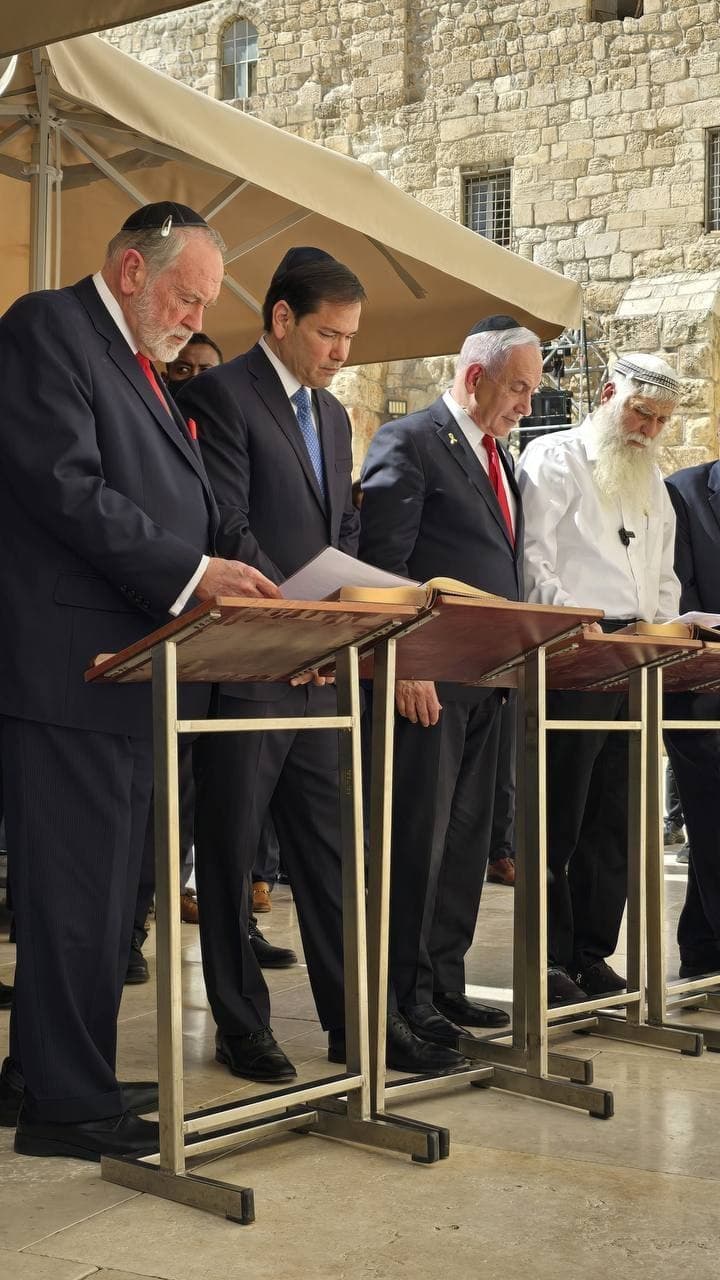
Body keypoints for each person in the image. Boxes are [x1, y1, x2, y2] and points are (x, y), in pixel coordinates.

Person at [0, 201, 280, 1159]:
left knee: (109, 896)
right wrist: (195, 575)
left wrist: (251, 587)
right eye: (187, 296)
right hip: (71, 667)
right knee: (76, 895)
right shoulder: (50, 328)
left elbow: (194, 508)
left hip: (134, 673)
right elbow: (62, 484)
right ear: (129, 270)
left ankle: (47, 1069)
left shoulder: (146, 372)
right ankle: (66, 1109)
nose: (196, 321)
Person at [180, 247, 460, 1081]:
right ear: (280, 320)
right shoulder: (220, 395)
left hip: (317, 667)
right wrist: (299, 618)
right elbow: (225, 522)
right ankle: (242, 1026)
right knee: (228, 853)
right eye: (330, 335)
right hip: (249, 663)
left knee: (334, 855)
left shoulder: (335, 418)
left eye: (351, 337)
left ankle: (357, 1023)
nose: (343, 352)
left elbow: (341, 526)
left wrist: (340, 619)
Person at [359, 315, 540, 1049]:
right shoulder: (410, 442)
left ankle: (444, 983)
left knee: (465, 846)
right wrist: (410, 662)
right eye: (519, 388)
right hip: (428, 685)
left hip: (485, 681)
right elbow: (384, 566)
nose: (527, 403)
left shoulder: (501, 461)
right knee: (418, 846)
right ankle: (402, 1001)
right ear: (475, 378)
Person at [517, 353, 681, 1005]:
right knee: (561, 809)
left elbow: (662, 571)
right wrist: (575, 629)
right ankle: (548, 955)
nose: (649, 428)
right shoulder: (554, 458)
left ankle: (589, 952)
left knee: (616, 816)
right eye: (642, 412)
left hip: (635, 655)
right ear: (610, 393)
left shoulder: (653, 477)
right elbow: (534, 560)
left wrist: (663, 632)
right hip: (572, 649)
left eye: (662, 420)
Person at [664, 456, 720, 977]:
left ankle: (703, 956)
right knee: (711, 821)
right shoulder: (683, 491)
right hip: (698, 691)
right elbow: (676, 594)